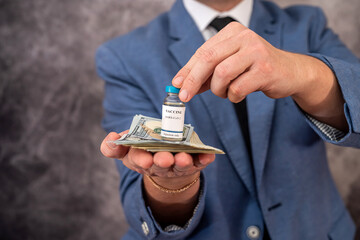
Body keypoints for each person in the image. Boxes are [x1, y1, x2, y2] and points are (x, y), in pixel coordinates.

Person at [96, 0, 360, 239]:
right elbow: (141, 208)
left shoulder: (307, 25)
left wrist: (302, 71)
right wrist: (171, 184)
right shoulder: (125, 56)